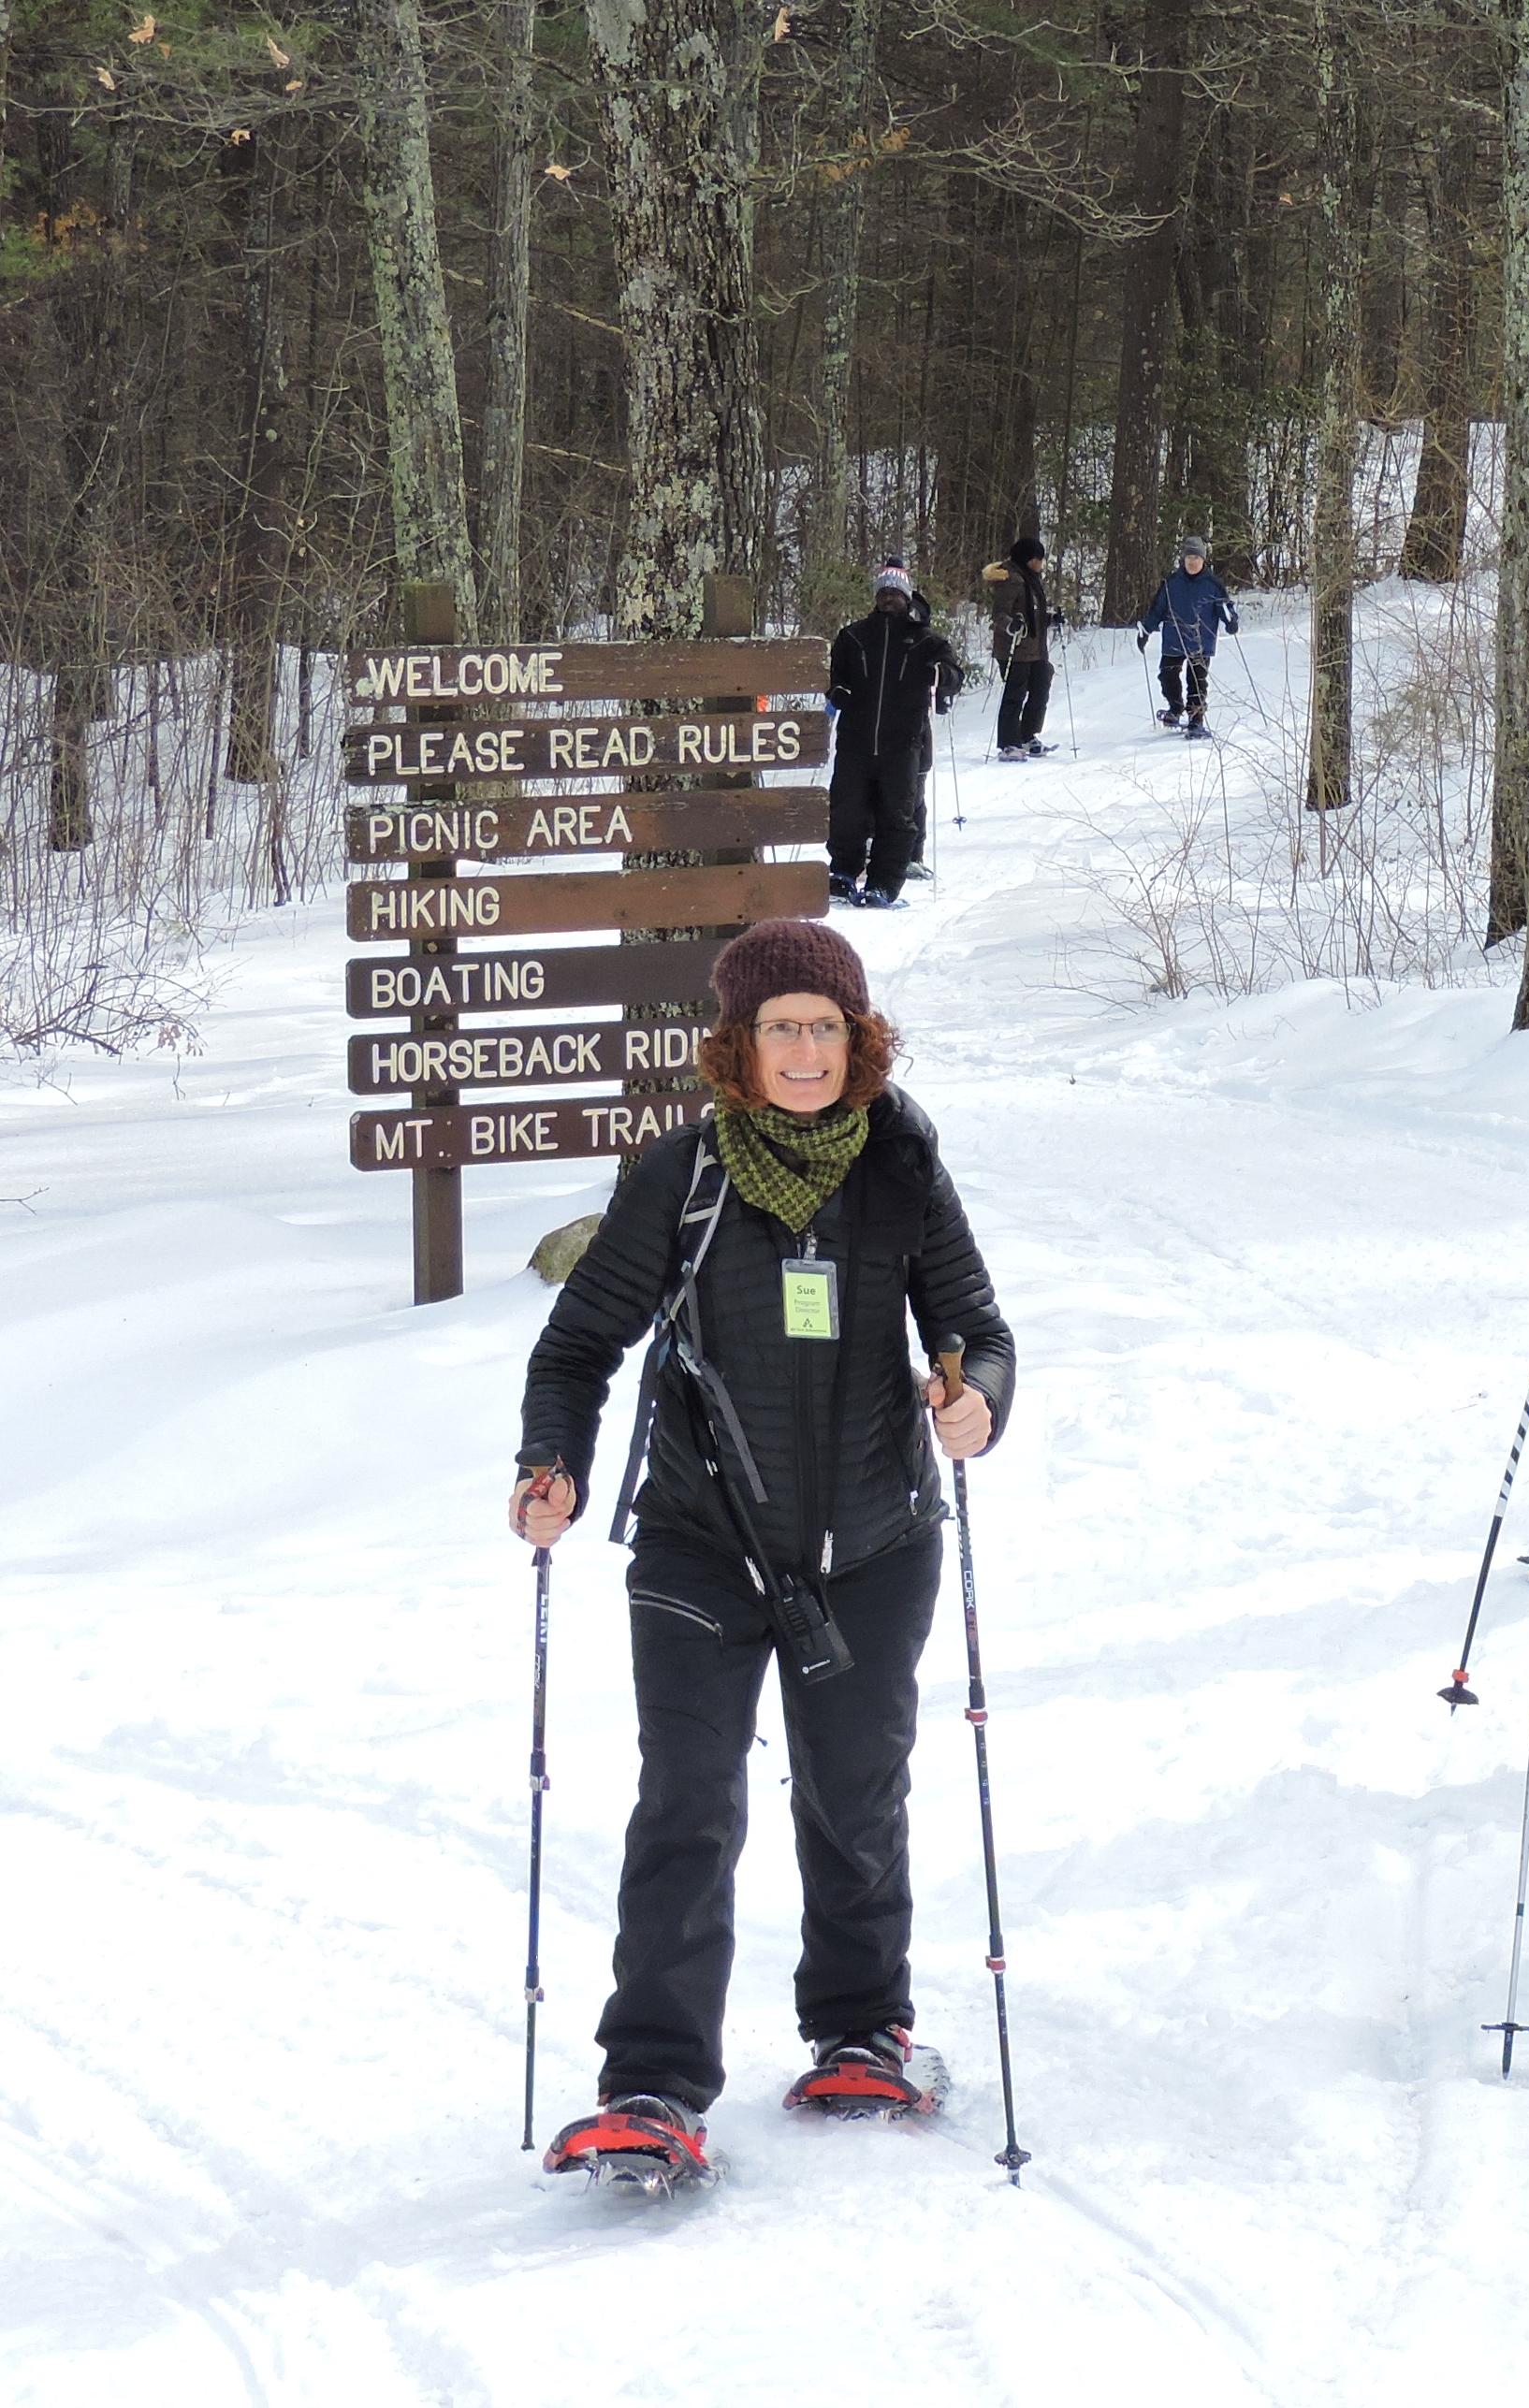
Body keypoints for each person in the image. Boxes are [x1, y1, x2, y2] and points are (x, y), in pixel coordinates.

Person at [510, 917, 1015, 2190]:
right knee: (688, 1801)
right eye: (781, 1027)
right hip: (700, 1544)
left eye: (825, 1027)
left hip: (873, 1543)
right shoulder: (680, 1175)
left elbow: (976, 1326)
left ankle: (862, 2033)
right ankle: (650, 2086)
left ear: (858, 1039)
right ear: (738, 1044)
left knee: (854, 1794)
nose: (804, 1050)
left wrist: (976, 1401)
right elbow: (578, 1345)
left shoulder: (900, 1162)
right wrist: (550, 1462)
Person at [825, 559, 960, 909]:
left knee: (897, 816)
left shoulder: (926, 640)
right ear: (876, 596)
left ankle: (883, 884)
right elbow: (837, 675)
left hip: (903, 742)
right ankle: (843, 872)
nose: (889, 597)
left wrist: (941, 675)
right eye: (884, 592)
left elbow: (953, 676)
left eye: (896, 592)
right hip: (855, 739)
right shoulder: (853, 636)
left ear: (907, 596)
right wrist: (838, 691)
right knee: (847, 809)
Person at [1132, 534, 1239, 737]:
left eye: (1196, 558)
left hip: (1201, 641)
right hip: (1174, 639)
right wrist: (1146, 630)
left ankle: (1196, 719)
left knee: (1197, 681)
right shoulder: (1172, 583)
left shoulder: (1213, 585)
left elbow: (1225, 608)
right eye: (1189, 558)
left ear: (1203, 560)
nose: (1192, 562)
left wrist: (1231, 621)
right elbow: (1157, 610)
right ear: (1183, 559)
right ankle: (1175, 708)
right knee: (1167, 675)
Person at [982, 534, 1065, 761]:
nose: (1041, 564)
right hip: (1014, 648)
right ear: (1028, 560)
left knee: (1041, 687)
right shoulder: (1010, 580)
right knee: (1015, 694)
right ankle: (1009, 743)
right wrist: (1011, 626)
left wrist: (1050, 619)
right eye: (1038, 559)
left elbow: (1032, 614)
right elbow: (999, 614)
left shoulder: (1030, 579)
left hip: (1035, 649)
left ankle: (1028, 735)